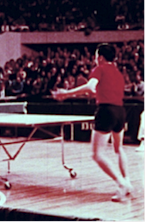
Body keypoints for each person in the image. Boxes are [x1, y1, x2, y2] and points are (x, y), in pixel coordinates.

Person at [52, 43, 133, 202]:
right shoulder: (118, 73)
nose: (95, 59)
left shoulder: (100, 69)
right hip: (120, 112)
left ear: (100, 57)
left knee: (97, 154)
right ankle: (127, 181)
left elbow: (91, 86)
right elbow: (102, 90)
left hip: (106, 112)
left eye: (96, 56)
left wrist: (66, 94)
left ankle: (121, 183)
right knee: (118, 149)